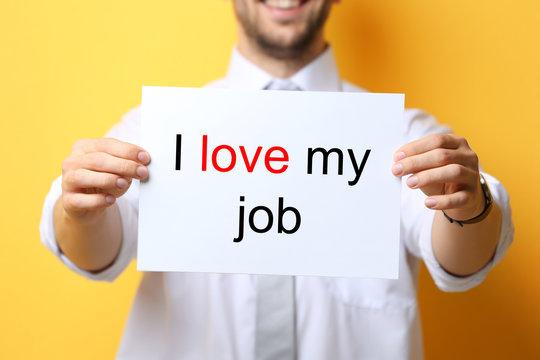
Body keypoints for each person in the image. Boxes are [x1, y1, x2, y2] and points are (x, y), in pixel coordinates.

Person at [40, 0, 513, 359]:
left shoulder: (404, 136)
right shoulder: (159, 129)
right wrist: (78, 208)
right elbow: (96, 252)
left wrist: (471, 207)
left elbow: (461, 261)